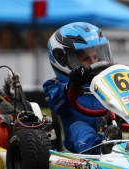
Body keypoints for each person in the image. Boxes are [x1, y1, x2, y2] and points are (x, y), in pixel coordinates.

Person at [43, 22, 121, 154]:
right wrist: (72, 85)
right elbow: (56, 104)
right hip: (74, 141)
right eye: (86, 59)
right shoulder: (55, 85)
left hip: (111, 130)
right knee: (79, 128)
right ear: (63, 60)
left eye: (95, 57)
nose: (94, 63)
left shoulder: (109, 80)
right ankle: (100, 151)